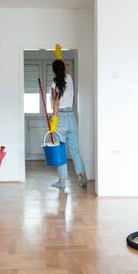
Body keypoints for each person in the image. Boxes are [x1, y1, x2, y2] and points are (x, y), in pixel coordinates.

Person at [49, 59, 87, 189]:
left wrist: (54, 120)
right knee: (75, 151)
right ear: (65, 68)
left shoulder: (55, 84)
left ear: (54, 70)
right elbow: (66, 69)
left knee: (61, 151)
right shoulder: (70, 78)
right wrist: (59, 56)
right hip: (71, 117)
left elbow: (56, 103)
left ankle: (62, 181)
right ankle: (82, 177)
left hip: (60, 118)